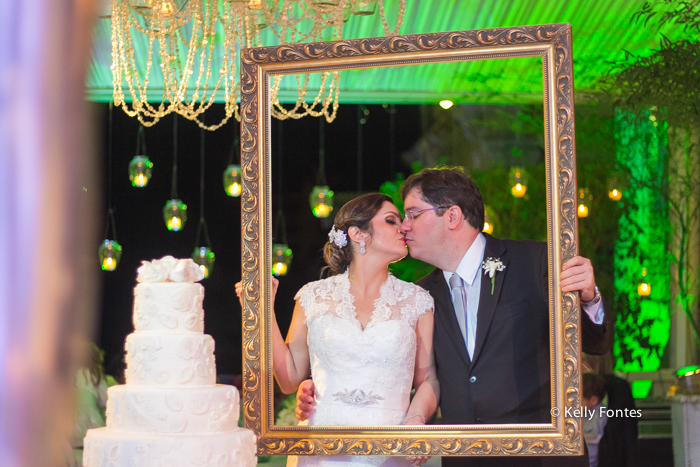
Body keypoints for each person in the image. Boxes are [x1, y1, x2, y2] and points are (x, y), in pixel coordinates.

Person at [298, 167, 614, 467]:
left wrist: (588, 299)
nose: (404, 226)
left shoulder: (536, 261)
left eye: (412, 214)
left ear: (452, 215)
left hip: (541, 454)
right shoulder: (419, 297)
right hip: (463, 458)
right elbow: (406, 374)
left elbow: (594, 345)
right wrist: (324, 386)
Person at [236, 193, 439, 467]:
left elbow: (428, 380)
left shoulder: (418, 301)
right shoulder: (313, 297)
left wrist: (416, 421)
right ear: (357, 233)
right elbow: (288, 379)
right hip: (320, 448)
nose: (403, 227)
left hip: (391, 448)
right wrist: (263, 311)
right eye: (392, 220)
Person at [581, 372, 607, 467]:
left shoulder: (598, 418)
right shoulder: (586, 413)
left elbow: (592, 450)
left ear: (593, 401)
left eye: (579, 400)